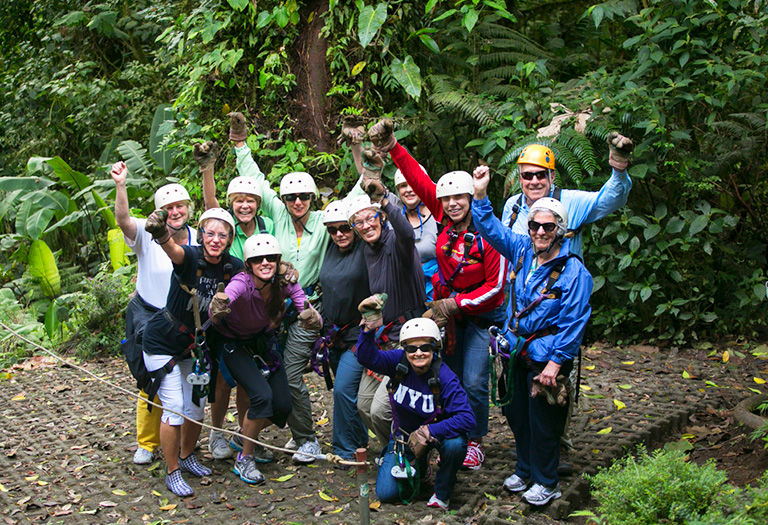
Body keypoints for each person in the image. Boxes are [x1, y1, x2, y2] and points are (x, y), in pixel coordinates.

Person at [367, 118, 507, 470]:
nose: (454, 204)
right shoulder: (445, 220)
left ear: (471, 198)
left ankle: (473, 440)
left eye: (461, 197)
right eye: (447, 199)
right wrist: (393, 147)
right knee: (448, 379)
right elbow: (418, 180)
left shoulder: (489, 232)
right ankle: (446, 434)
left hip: (478, 317)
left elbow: (496, 287)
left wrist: (454, 303)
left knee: (474, 380)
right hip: (448, 318)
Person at [228, 112, 364, 462]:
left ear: (313, 198)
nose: (298, 202)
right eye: (291, 197)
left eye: (304, 195)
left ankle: (307, 439)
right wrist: (241, 145)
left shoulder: (324, 223)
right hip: (275, 311)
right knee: (278, 372)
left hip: (309, 310)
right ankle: (298, 429)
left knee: (289, 373)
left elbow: (361, 190)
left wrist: (359, 149)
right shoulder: (277, 219)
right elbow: (255, 180)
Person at [472, 165, 593, 506]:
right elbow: (491, 230)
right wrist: (480, 195)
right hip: (516, 351)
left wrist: (556, 364)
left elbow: (574, 322)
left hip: (546, 354)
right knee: (517, 415)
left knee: (544, 421)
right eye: (535, 225)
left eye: (548, 227)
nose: (540, 232)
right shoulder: (523, 251)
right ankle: (525, 468)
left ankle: (546, 480)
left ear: (560, 230)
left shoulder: (573, 272)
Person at [141, 207, 244, 497]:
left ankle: (187, 456)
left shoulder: (231, 267)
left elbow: (248, 282)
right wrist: (161, 233)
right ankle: (172, 471)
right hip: (162, 342)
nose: (215, 240)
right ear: (201, 235)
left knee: (196, 406)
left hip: (194, 350)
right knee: (173, 408)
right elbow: (173, 250)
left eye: (222, 235)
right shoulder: (191, 257)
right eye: (210, 233)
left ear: (229, 239)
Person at [207, 234, 321, 484]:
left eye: (271, 258)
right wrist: (219, 304)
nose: (265, 262)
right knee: (261, 397)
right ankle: (245, 459)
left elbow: (305, 306)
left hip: (265, 342)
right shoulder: (242, 282)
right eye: (258, 259)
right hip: (234, 344)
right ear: (248, 264)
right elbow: (227, 297)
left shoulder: (283, 282)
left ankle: (243, 436)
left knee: (282, 406)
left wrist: (311, 318)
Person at [110, 161, 197, 466]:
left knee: (186, 383)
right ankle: (147, 442)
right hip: (150, 315)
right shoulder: (148, 234)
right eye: (168, 208)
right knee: (152, 381)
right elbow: (123, 220)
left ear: (188, 208)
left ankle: (184, 444)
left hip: (186, 321)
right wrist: (121, 185)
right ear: (159, 212)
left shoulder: (199, 237)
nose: (175, 212)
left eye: (180, 206)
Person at [196, 140, 275, 461]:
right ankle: (216, 431)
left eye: (250, 201)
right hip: (226, 309)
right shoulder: (225, 228)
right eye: (239, 201)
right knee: (220, 377)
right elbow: (210, 203)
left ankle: (244, 440)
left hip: (256, 315)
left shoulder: (266, 226)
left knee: (247, 378)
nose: (244, 206)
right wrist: (208, 168)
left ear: (258, 204)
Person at [355, 316, 475, 510]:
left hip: (437, 436)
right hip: (405, 437)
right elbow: (366, 357)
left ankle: (442, 492)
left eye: (425, 348)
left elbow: (467, 418)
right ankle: (417, 465)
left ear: (435, 348)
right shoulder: (397, 362)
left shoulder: (445, 377)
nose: (418, 353)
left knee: (455, 445)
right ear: (405, 349)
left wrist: (429, 431)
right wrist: (368, 330)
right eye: (411, 348)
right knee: (386, 493)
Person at [500, 136, 634, 258]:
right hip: (519, 282)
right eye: (528, 176)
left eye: (541, 175)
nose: (534, 181)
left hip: (562, 283)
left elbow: (610, 201)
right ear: (520, 179)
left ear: (551, 177)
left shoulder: (572, 201)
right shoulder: (513, 206)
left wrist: (619, 170)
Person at [316, 200, 377, 461]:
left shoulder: (368, 249)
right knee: (345, 393)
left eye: (345, 228)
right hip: (333, 334)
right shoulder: (329, 249)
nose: (339, 234)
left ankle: (344, 447)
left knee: (343, 389)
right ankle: (356, 446)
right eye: (333, 229)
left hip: (359, 332)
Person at [391, 168, 439, 300]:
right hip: (403, 290)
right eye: (403, 186)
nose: (408, 189)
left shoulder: (439, 213)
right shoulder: (394, 209)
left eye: (413, 183)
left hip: (435, 289)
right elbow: (371, 185)